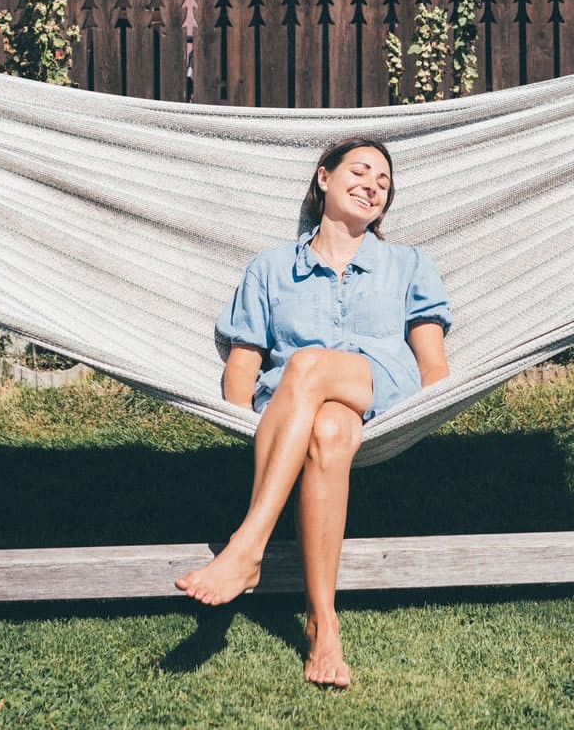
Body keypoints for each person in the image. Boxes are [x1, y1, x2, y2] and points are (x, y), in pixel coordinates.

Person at [176, 137, 451, 688]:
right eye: (360, 171)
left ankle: (247, 546)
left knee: (307, 364)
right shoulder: (271, 268)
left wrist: (427, 414)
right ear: (323, 178)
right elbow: (243, 364)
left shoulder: (409, 264)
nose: (373, 185)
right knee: (325, 429)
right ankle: (324, 626)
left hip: (378, 388)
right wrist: (248, 423)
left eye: (384, 181)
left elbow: (432, 366)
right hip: (295, 410)